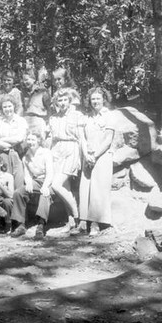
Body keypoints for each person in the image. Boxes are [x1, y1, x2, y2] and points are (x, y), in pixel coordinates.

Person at [73, 87, 115, 236]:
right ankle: (83, 222)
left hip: (102, 156)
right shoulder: (86, 117)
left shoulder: (109, 116)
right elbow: (82, 138)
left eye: (98, 98)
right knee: (85, 188)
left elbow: (108, 139)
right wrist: (86, 154)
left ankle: (96, 223)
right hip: (88, 156)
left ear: (104, 99)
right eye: (93, 99)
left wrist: (95, 155)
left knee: (98, 189)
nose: (95, 101)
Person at [49, 88, 84, 232]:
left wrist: (83, 156)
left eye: (65, 100)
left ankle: (76, 214)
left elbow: (81, 138)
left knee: (56, 185)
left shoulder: (77, 115)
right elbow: (51, 138)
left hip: (71, 149)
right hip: (56, 151)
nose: (62, 103)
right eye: (59, 100)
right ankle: (71, 222)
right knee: (65, 187)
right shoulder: (53, 118)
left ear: (70, 101)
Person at [11, 131, 54, 239]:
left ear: (39, 141)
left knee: (45, 194)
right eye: (28, 139)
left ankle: (41, 225)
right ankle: (21, 225)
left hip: (47, 181)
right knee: (18, 192)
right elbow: (27, 173)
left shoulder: (46, 153)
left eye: (33, 140)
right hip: (35, 181)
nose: (30, 142)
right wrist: (29, 182)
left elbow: (50, 173)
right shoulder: (26, 156)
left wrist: (45, 186)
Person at [0, 94, 27, 191]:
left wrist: (2, 140)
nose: (7, 109)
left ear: (14, 106)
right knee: (5, 184)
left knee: (19, 183)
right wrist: (8, 143)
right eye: (4, 107)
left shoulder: (21, 120)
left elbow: (19, 138)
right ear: (1, 109)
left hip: (17, 154)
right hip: (3, 155)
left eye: (9, 106)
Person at [21, 68, 51, 136]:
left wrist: (48, 124)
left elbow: (49, 109)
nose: (24, 82)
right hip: (26, 122)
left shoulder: (43, 91)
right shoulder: (23, 93)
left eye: (26, 80)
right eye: (23, 80)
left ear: (33, 79)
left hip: (38, 122)